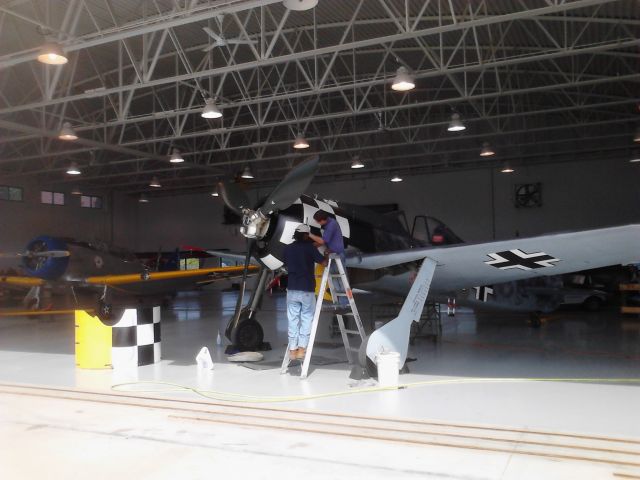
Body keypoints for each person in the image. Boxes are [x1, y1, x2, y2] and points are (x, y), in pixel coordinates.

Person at [283, 224, 326, 360]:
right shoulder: (309, 248)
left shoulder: (288, 248)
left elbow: (285, 263)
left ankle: (292, 350)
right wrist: (327, 255)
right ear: (306, 235)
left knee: (292, 319)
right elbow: (323, 263)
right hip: (306, 289)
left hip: (292, 289)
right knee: (307, 318)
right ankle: (302, 349)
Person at [309, 210, 348, 305]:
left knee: (341, 280)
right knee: (335, 279)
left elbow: (323, 241)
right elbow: (325, 241)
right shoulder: (329, 224)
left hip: (337, 254)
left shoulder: (331, 225)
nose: (318, 223)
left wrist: (309, 234)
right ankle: (340, 303)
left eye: (318, 221)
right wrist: (312, 245)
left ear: (323, 220)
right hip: (332, 254)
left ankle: (344, 304)